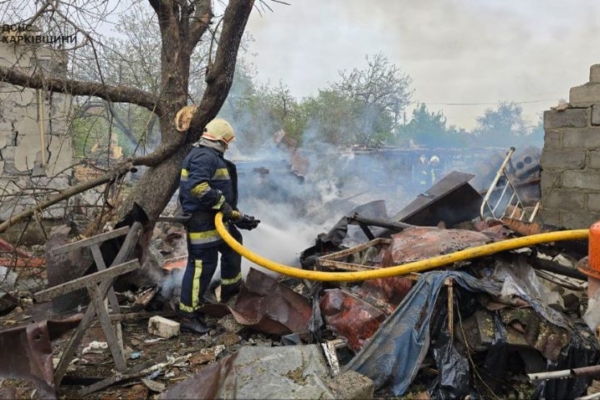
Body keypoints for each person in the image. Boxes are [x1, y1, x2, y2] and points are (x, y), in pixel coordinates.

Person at [176, 109, 260, 334]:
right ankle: (188, 315)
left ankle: (232, 291)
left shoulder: (211, 157)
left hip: (217, 220)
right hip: (202, 222)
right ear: (221, 140)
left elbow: (219, 192)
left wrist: (238, 216)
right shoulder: (204, 157)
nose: (228, 146)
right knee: (202, 265)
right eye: (227, 142)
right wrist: (224, 207)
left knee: (234, 244)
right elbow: (198, 187)